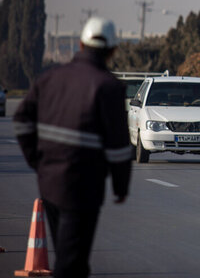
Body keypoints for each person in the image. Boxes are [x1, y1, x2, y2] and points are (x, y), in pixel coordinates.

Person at [13, 17, 132, 278]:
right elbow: (119, 149)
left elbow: (21, 120)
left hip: (50, 184)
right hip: (83, 188)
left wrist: (38, 161)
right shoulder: (109, 87)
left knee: (71, 255)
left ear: (80, 44)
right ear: (113, 50)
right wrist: (121, 187)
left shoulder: (51, 78)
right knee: (71, 263)